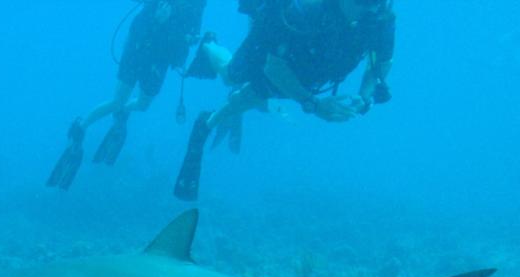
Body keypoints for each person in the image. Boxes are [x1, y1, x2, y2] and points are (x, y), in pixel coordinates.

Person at [174, 0, 396, 201]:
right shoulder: (307, 9)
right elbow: (273, 67)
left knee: (253, 96)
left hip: (308, 71)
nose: (370, 8)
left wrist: (365, 96)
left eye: (377, 1)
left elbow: (381, 62)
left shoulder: (380, 19)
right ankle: (209, 45)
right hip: (272, 50)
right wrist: (313, 104)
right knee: (231, 75)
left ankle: (207, 123)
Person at [47, 0, 206, 190]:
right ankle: (80, 129)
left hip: (160, 59)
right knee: (117, 101)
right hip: (138, 50)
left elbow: (194, 31)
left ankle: (122, 113)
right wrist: (157, 19)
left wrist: (191, 39)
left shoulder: (198, 4)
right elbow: (139, 23)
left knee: (143, 105)